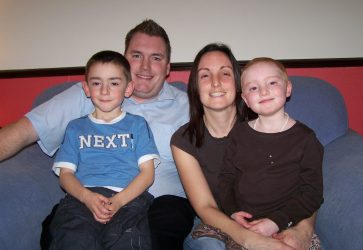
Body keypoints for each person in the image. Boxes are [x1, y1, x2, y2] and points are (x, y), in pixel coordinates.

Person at [0, 19, 195, 250]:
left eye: (156, 58)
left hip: (160, 206)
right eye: (136, 55)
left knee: (166, 221)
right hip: (88, 199)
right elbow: (23, 131)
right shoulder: (90, 93)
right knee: (62, 228)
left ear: (168, 67)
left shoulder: (189, 107)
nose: (145, 66)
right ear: (123, 58)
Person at [171, 43, 319, 250]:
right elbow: (205, 207)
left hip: (279, 219)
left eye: (225, 73)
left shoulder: (270, 123)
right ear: (195, 85)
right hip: (218, 224)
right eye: (205, 75)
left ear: (238, 83)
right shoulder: (183, 140)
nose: (215, 83)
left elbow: (307, 186)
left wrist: (302, 230)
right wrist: (250, 239)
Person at [49, 50, 159, 249]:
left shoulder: (137, 125)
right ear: (87, 88)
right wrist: (86, 197)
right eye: (97, 83)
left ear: (128, 88)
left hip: (128, 199)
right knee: (74, 236)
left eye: (114, 83)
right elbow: (65, 175)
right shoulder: (76, 127)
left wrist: (118, 201)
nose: (105, 90)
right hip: (82, 199)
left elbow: (147, 174)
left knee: (128, 238)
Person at [219, 57, 324, 239]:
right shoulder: (238, 134)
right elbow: (226, 180)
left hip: (286, 225)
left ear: (288, 88)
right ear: (245, 99)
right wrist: (233, 212)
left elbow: (312, 193)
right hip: (242, 225)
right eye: (253, 88)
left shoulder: (305, 139)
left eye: (272, 82)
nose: (263, 91)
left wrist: (276, 222)